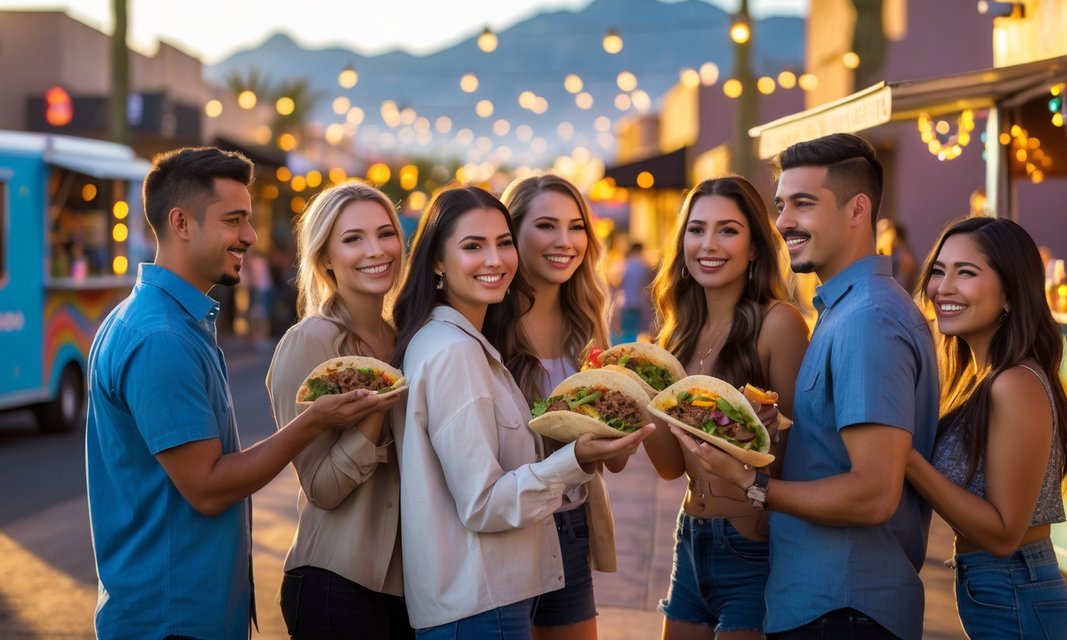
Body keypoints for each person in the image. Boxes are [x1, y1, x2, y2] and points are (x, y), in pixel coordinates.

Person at [85, 147, 386, 639]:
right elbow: (207, 488)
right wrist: (315, 421)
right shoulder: (162, 337)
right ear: (181, 223)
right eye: (234, 220)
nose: (250, 235)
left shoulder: (163, 319)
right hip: (171, 620)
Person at [669, 134, 939, 640]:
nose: (784, 221)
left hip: (845, 610)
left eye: (803, 204)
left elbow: (873, 496)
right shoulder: (844, 311)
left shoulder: (868, 320)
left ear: (858, 209)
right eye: (781, 205)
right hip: (822, 603)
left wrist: (753, 485)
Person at [391, 186, 654, 638]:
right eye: (473, 246)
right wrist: (576, 459)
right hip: (481, 586)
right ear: (437, 260)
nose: (494, 259)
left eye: (501, 243)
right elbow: (483, 504)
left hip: (517, 562)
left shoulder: (466, 338)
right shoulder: (457, 349)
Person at [643, 175, 809, 640]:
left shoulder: (779, 323)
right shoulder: (674, 337)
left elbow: (803, 458)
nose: (708, 244)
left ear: (755, 247)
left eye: (728, 230)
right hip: (690, 539)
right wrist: (641, 397)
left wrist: (767, 433)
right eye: (696, 230)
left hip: (752, 547)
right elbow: (670, 467)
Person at [907, 217, 1067, 639]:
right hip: (998, 588)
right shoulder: (979, 376)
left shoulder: (1014, 382)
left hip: (1016, 590)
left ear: (1009, 294)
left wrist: (907, 460)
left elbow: (1005, 534)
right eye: (938, 270)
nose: (942, 288)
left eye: (965, 273)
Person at [265, 181, 412, 639]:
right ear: (325, 257)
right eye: (353, 239)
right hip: (336, 584)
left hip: (412, 588)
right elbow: (322, 489)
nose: (376, 250)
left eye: (386, 233)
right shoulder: (310, 341)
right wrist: (373, 410)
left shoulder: (407, 338)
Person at [502, 174, 622, 640]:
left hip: (570, 522)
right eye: (547, 226)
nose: (565, 241)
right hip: (502, 526)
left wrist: (626, 423)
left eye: (576, 227)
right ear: (512, 233)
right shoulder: (485, 318)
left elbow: (613, 457)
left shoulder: (587, 321)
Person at [617, 241, 655, 342]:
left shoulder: (625, 264)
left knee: (627, 333)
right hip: (641, 304)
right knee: (638, 333)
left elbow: (617, 282)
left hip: (626, 303)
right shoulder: (645, 266)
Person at [877, 218, 918, 291]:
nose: (881, 238)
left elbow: (903, 285)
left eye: (885, 234)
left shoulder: (905, 257)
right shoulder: (887, 255)